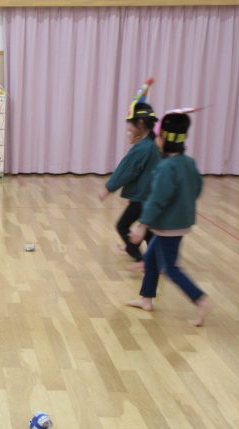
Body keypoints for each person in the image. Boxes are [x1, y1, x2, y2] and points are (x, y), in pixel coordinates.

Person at [127, 109, 212, 326]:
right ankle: (146, 299)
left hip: (168, 226)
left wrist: (142, 225)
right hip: (178, 223)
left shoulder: (166, 167)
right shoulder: (188, 162)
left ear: (163, 138)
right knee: (150, 259)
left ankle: (200, 299)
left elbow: (157, 199)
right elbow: (197, 188)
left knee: (170, 268)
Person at [99, 79, 161, 268]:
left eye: (130, 127)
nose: (128, 131)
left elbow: (126, 170)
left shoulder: (142, 148)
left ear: (140, 124)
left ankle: (139, 257)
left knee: (122, 226)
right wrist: (145, 88)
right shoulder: (151, 143)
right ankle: (153, 259)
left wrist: (109, 188)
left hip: (143, 197)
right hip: (148, 195)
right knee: (148, 230)